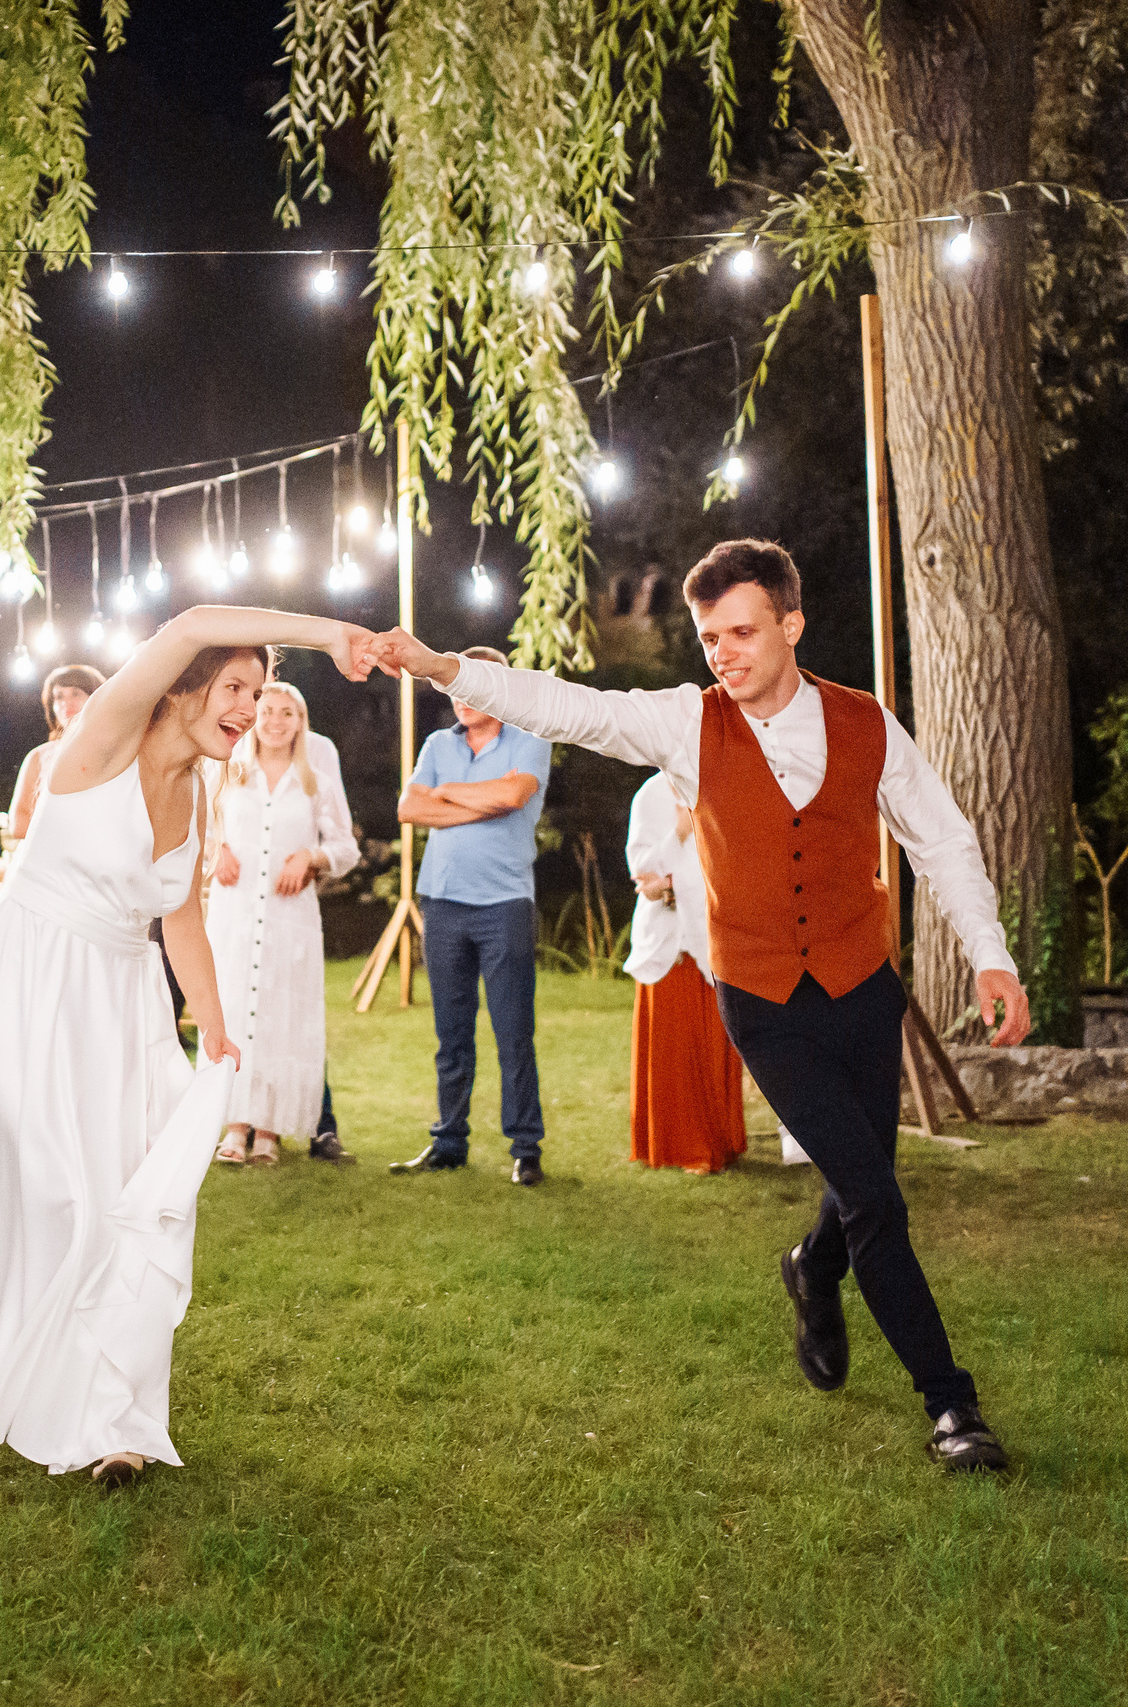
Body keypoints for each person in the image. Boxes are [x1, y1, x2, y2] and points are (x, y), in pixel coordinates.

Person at [369, 539, 1032, 1473]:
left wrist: (990, 956)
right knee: (879, 1196)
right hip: (762, 998)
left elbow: (945, 842)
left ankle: (812, 1266)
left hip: (860, 988)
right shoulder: (687, 723)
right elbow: (574, 708)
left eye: (743, 631)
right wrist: (446, 667)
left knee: (859, 1184)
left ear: (791, 625)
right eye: (710, 635)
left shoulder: (866, 723)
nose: (723, 650)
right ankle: (952, 1405)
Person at [0, 604, 373, 1486]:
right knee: (61, 1196)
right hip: (31, 987)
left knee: (133, 1204)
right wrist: (327, 634)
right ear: (184, 683)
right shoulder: (104, 737)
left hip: (124, 1001)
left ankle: (116, 1425)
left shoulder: (198, 790)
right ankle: (42, 1386)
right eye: (234, 687)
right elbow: (193, 618)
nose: (247, 706)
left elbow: (182, 918)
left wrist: (221, 1028)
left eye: (261, 691)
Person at [388, 644, 552, 1186]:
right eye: (453, 687)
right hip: (443, 901)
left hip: (504, 904)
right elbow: (410, 808)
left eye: (471, 686)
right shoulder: (439, 742)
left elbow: (513, 796)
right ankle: (448, 1142)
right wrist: (479, 799)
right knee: (450, 1033)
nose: (459, 697)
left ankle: (525, 1147)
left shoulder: (530, 740)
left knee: (512, 1031)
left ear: (497, 689)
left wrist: (452, 794)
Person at [204, 682, 358, 1166]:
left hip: (289, 917)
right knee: (232, 1010)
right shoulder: (229, 771)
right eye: (266, 710)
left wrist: (312, 856)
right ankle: (233, 1126)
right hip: (236, 912)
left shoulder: (315, 781)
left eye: (285, 713)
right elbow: (199, 825)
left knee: (281, 1016)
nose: (274, 721)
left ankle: (269, 1131)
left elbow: (346, 847)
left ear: (299, 721)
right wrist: (216, 853)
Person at [623, 770, 748, 1174]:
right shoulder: (650, 795)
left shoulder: (724, 783)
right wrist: (677, 833)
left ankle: (717, 1141)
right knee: (671, 1043)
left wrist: (675, 884)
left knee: (715, 1042)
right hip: (665, 940)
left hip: (715, 935)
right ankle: (673, 1145)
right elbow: (642, 871)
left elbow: (734, 862)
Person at [8, 663, 106, 844]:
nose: (65, 703)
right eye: (58, 696)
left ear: (97, 697)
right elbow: (18, 823)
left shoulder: (114, 752)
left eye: (76, 693)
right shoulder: (39, 757)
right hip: (47, 860)